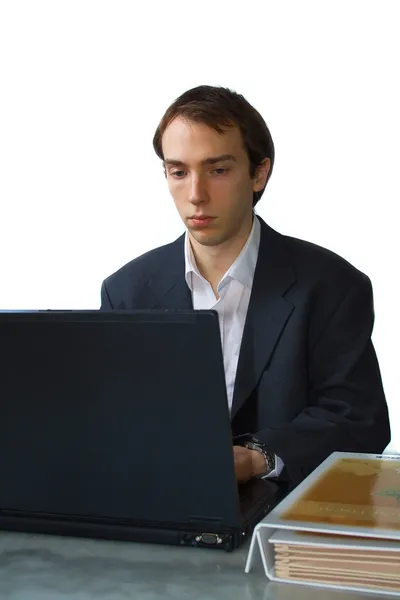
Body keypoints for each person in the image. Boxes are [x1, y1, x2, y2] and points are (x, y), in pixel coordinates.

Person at [100, 85, 391, 488]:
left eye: (218, 170)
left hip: (282, 518)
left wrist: (257, 459)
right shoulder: (125, 292)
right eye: (178, 171)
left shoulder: (333, 286)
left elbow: (359, 421)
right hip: (159, 510)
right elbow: (111, 422)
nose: (196, 195)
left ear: (259, 173)